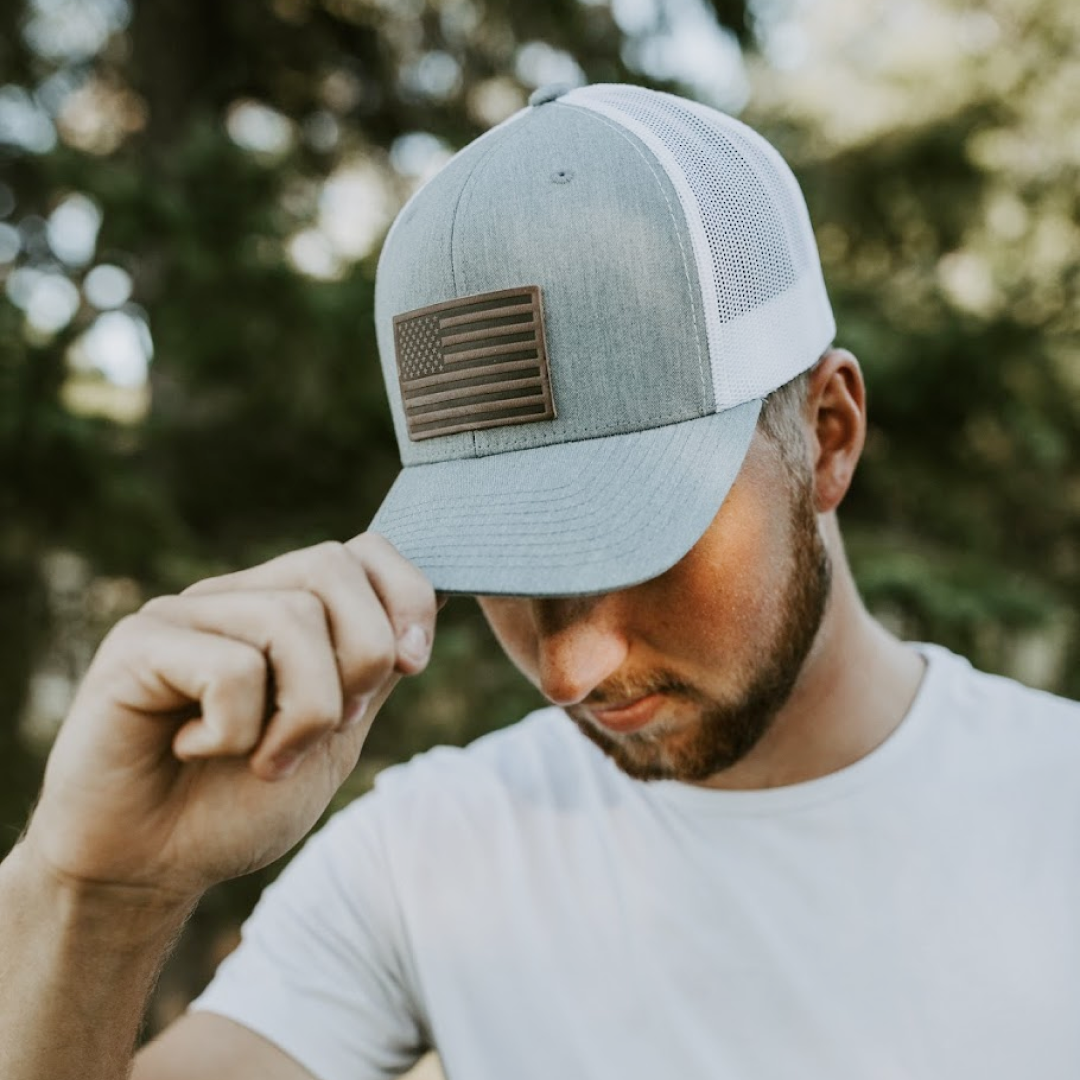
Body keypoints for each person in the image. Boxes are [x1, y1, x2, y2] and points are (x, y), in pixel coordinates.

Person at [1, 82, 1078, 1080]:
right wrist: (95, 898)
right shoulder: (425, 859)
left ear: (828, 436)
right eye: (511, 556)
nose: (571, 668)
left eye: (638, 538)